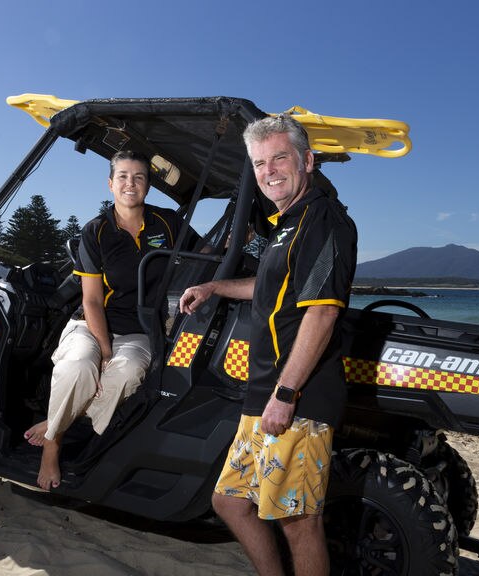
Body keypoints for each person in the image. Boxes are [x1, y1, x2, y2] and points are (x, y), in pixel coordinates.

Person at [179, 114, 357, 576]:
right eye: (260, 162)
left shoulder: (323, 220)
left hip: (297, 395)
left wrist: (286, 393)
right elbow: (272, 286)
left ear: (308, 160)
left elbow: (322, 312)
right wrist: (215, 288)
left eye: (280, 157)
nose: (270, 170)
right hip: (265, 392)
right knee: (230, 502)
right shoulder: (286, 222)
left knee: (298, 520)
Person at [24, 150, 196, 491]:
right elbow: (90, 300)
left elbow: (201, 253)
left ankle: (57, 419)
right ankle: (53, 446)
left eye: (139, 177)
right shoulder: (96, 231)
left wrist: (241, 240)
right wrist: (103, 352)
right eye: (123, 177)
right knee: (78, 368)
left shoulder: (167, 224)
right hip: (91, 324)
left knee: (127, 373)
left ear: (148, 185)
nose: (130, 183)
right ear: (110, 183)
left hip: (140, 330)